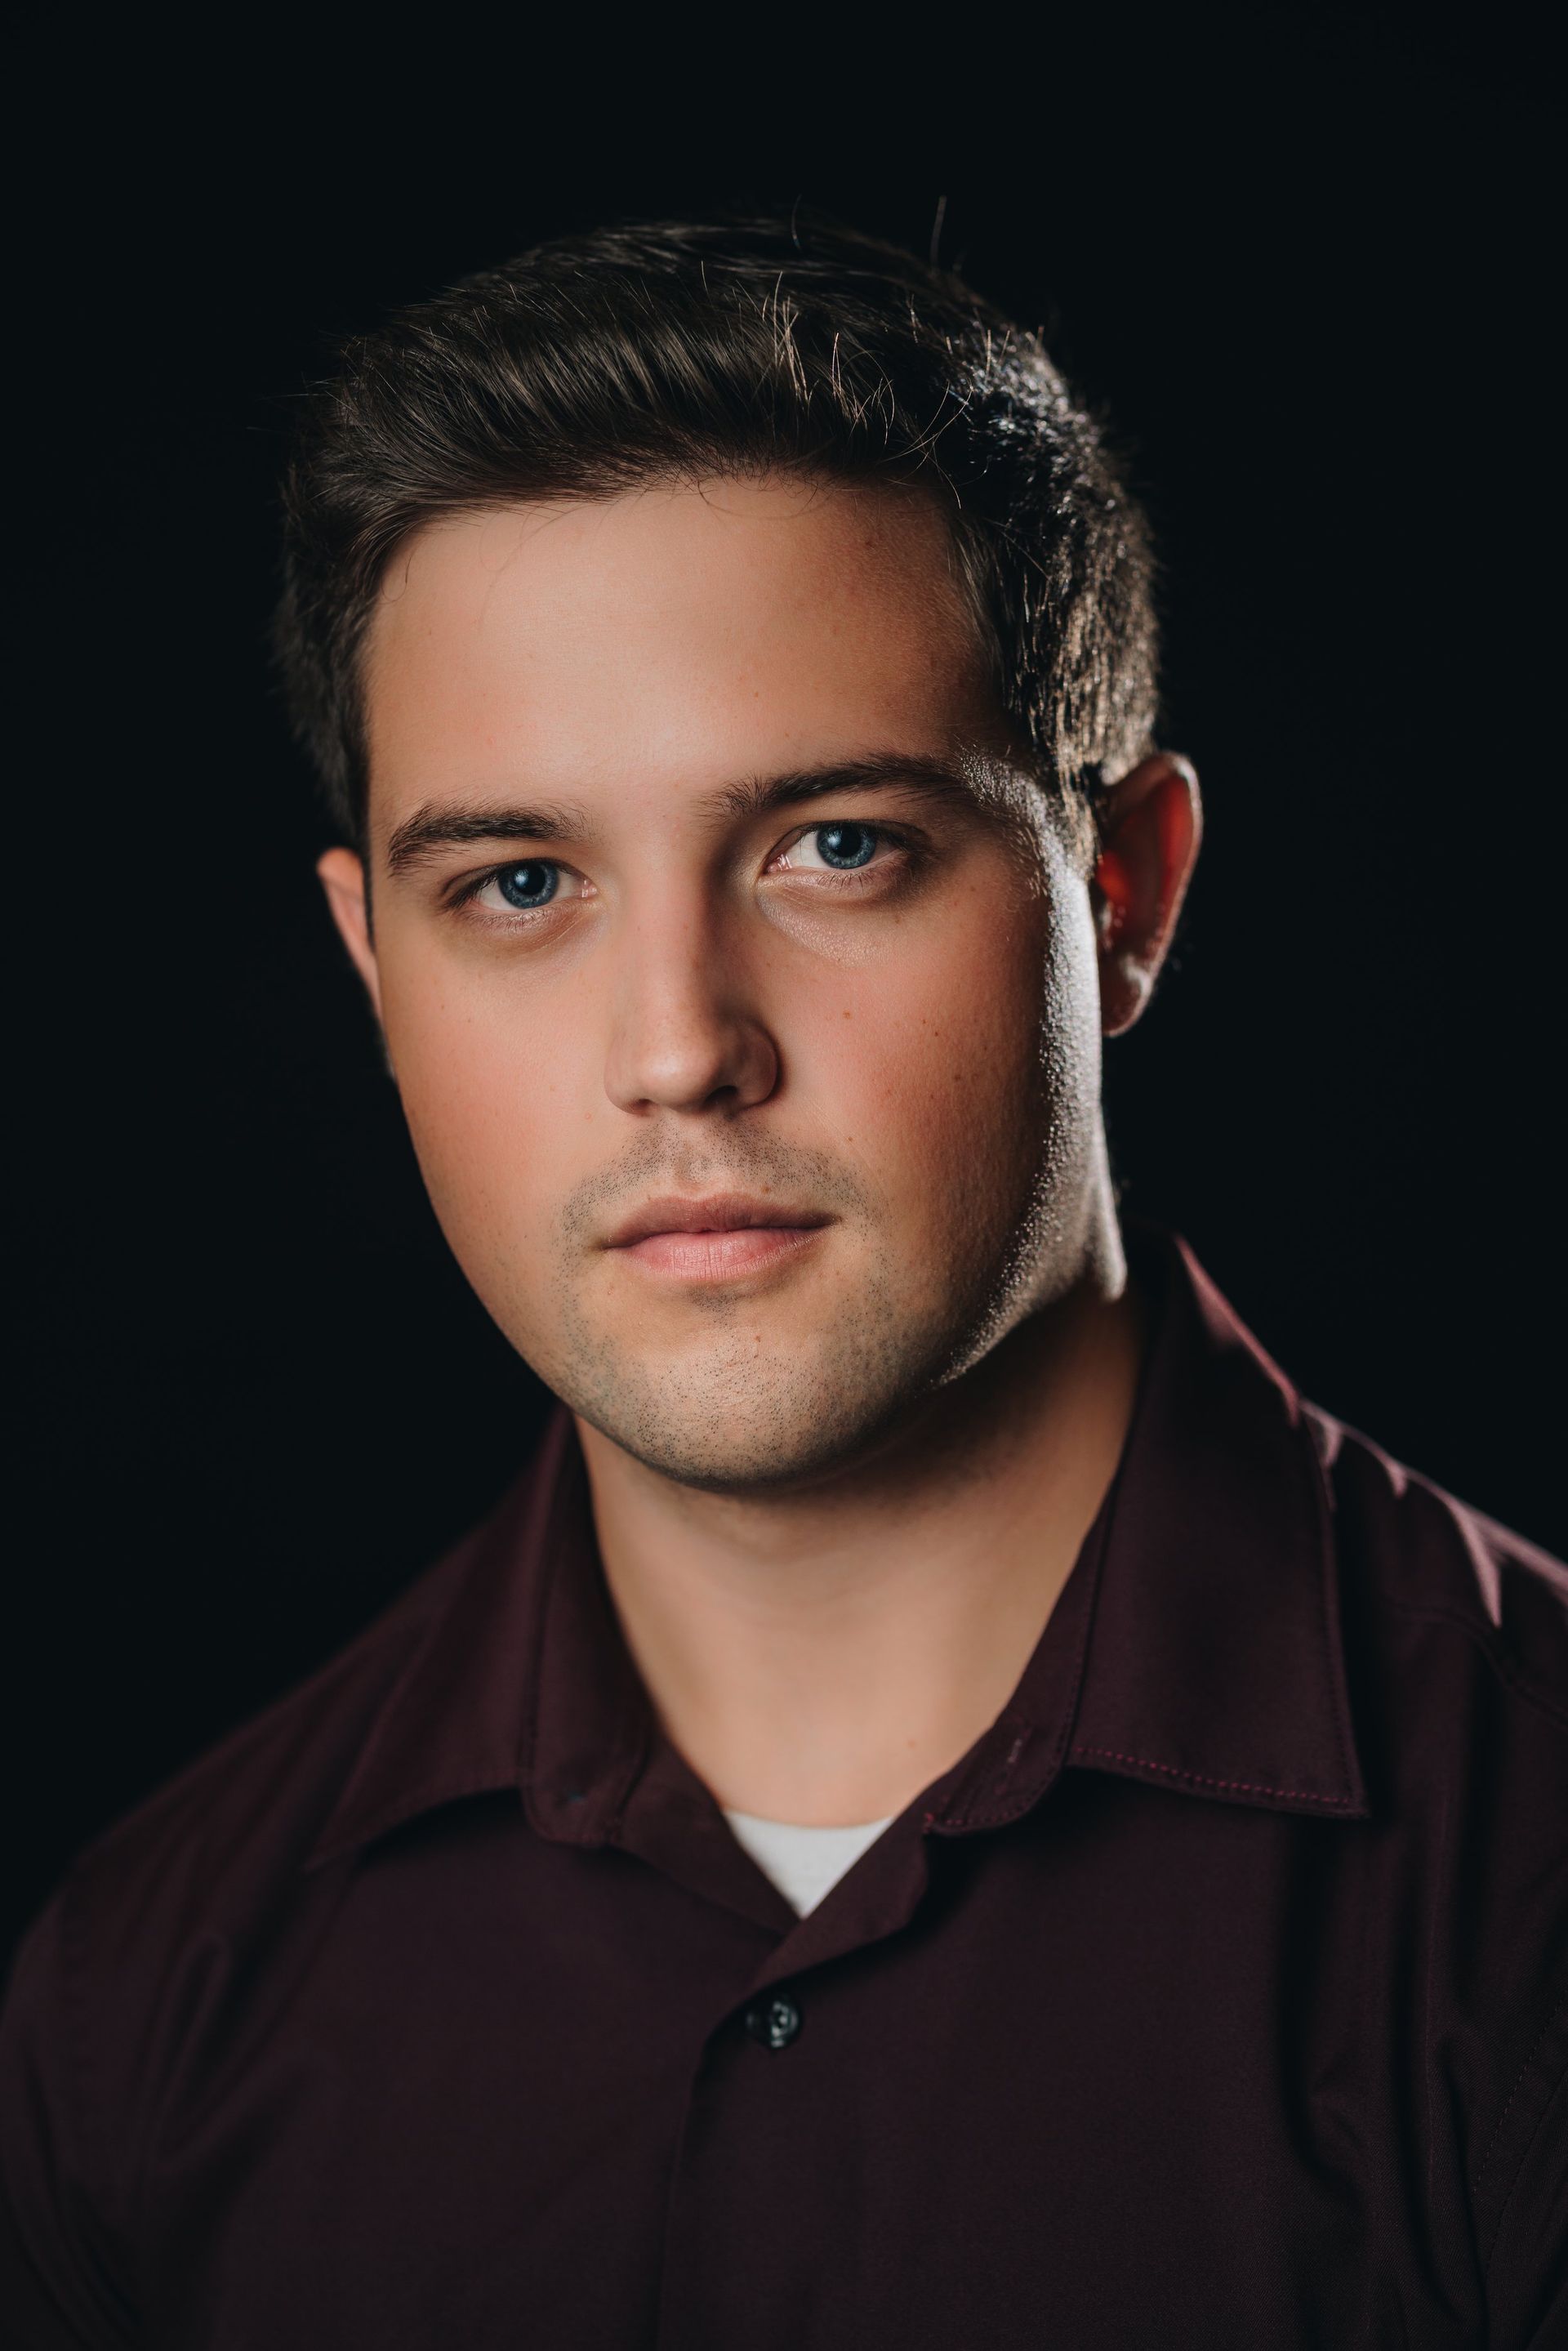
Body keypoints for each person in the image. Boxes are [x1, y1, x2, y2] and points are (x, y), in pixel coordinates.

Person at [2, 210, 1563, 2350]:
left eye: (836, 846)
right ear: (376, 969)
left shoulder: (1532, 1889)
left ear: (1123, 896)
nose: (677, 1048)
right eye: (523, 883)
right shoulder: (148, 1997)